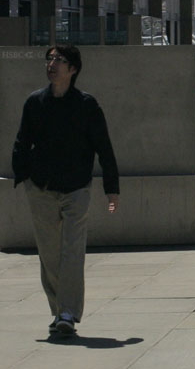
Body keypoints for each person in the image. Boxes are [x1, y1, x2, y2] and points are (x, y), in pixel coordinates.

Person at [11, 44, 120, 336]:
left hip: (76, 189)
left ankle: (68, 313)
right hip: (41, 188)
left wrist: (112, 188)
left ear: (72, 69)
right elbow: (22, 141)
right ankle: (59, 309)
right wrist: (23, 178)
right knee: (49, 254)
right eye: (49, 59)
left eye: (59, 60)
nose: (52, 64)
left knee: (72, 252)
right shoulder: (35, 102)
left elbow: (104, 148)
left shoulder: (87, 105)